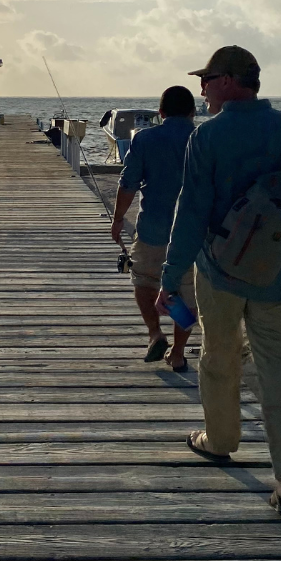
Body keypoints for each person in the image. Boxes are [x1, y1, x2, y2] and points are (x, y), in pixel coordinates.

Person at [157, 46, 281, 514]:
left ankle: (221, 438)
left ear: (229, 81)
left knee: (219, 353)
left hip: (221, 272)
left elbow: (191, 214)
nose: (202, 88)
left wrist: (171, 276)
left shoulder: (208, 138)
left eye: (207, 79)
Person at [111, 86, 197, 372]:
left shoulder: (145, 139)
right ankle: (178, 352)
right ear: (192, 112)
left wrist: (118, 218)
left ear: (160, 113)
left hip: (152, 229)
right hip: (193, 234)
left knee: (143, 282)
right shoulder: (203, 139)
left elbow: (128, 184)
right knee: (186, 295)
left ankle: (154, 333)